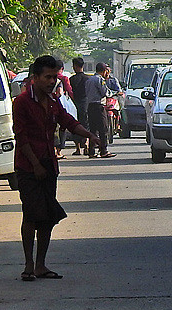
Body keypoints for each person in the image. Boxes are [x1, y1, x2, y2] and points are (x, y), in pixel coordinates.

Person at [12, 55, 99, 281]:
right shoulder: (21, 102)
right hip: (28, 167)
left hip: (49, 166)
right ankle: (28, 265)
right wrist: (35, 165)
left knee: (48, 216)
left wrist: (88, 134)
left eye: (55, 77)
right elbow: (21, 137)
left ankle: (41, 265)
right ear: (35, 78)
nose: (52, 82)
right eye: (48, 77)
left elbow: (68, 121)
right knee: (31, 215)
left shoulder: (53, 102)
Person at [81, 64, 118, 159]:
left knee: (93, 130)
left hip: (90, 106)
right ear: (104, 71)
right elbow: (104, 92)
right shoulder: (100, 79)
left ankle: (91, 151)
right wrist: (114, 93)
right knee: (103, 129)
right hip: (99, 106)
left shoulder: (89, 80)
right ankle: (103, 150)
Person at [67, 58, 91, 155]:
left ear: (75, 66)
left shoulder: (72, 79)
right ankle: (86, 145)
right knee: (86, 125)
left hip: (75, 104)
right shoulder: (88, 79)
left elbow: (69, 92)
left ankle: (77, 148)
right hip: (85, 104)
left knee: (75, 125)